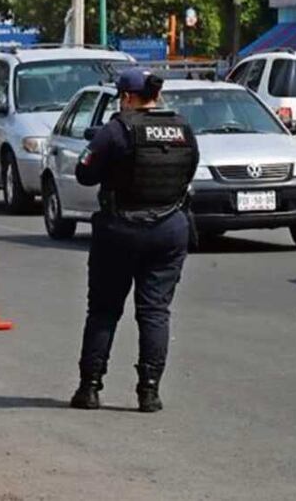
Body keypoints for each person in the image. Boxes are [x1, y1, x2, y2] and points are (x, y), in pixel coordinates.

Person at [70, 68, 198, 413]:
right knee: (155, 312)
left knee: (104, 310)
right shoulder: (182, 128)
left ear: (127, 97)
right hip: (169, 227)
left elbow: (84, 174)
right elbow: (189, 171)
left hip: (120, 229)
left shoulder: (116, 130)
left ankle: (90, 388)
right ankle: (149, 392)